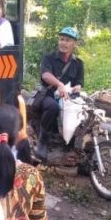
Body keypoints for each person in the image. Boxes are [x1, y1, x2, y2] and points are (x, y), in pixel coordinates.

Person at [35, 26, 84, 159]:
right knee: (53, 107)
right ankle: (42, 143)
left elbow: (79, 82)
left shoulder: (78, 63)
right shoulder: (49, 58)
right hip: (48, 95)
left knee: (82, 112)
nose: (63, 43)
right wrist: (59, 84)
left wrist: (77, 88)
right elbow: (45, 75)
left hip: (67, 98)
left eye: (68, 40)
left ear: (74, 43)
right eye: (61, 39)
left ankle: (71, 144)